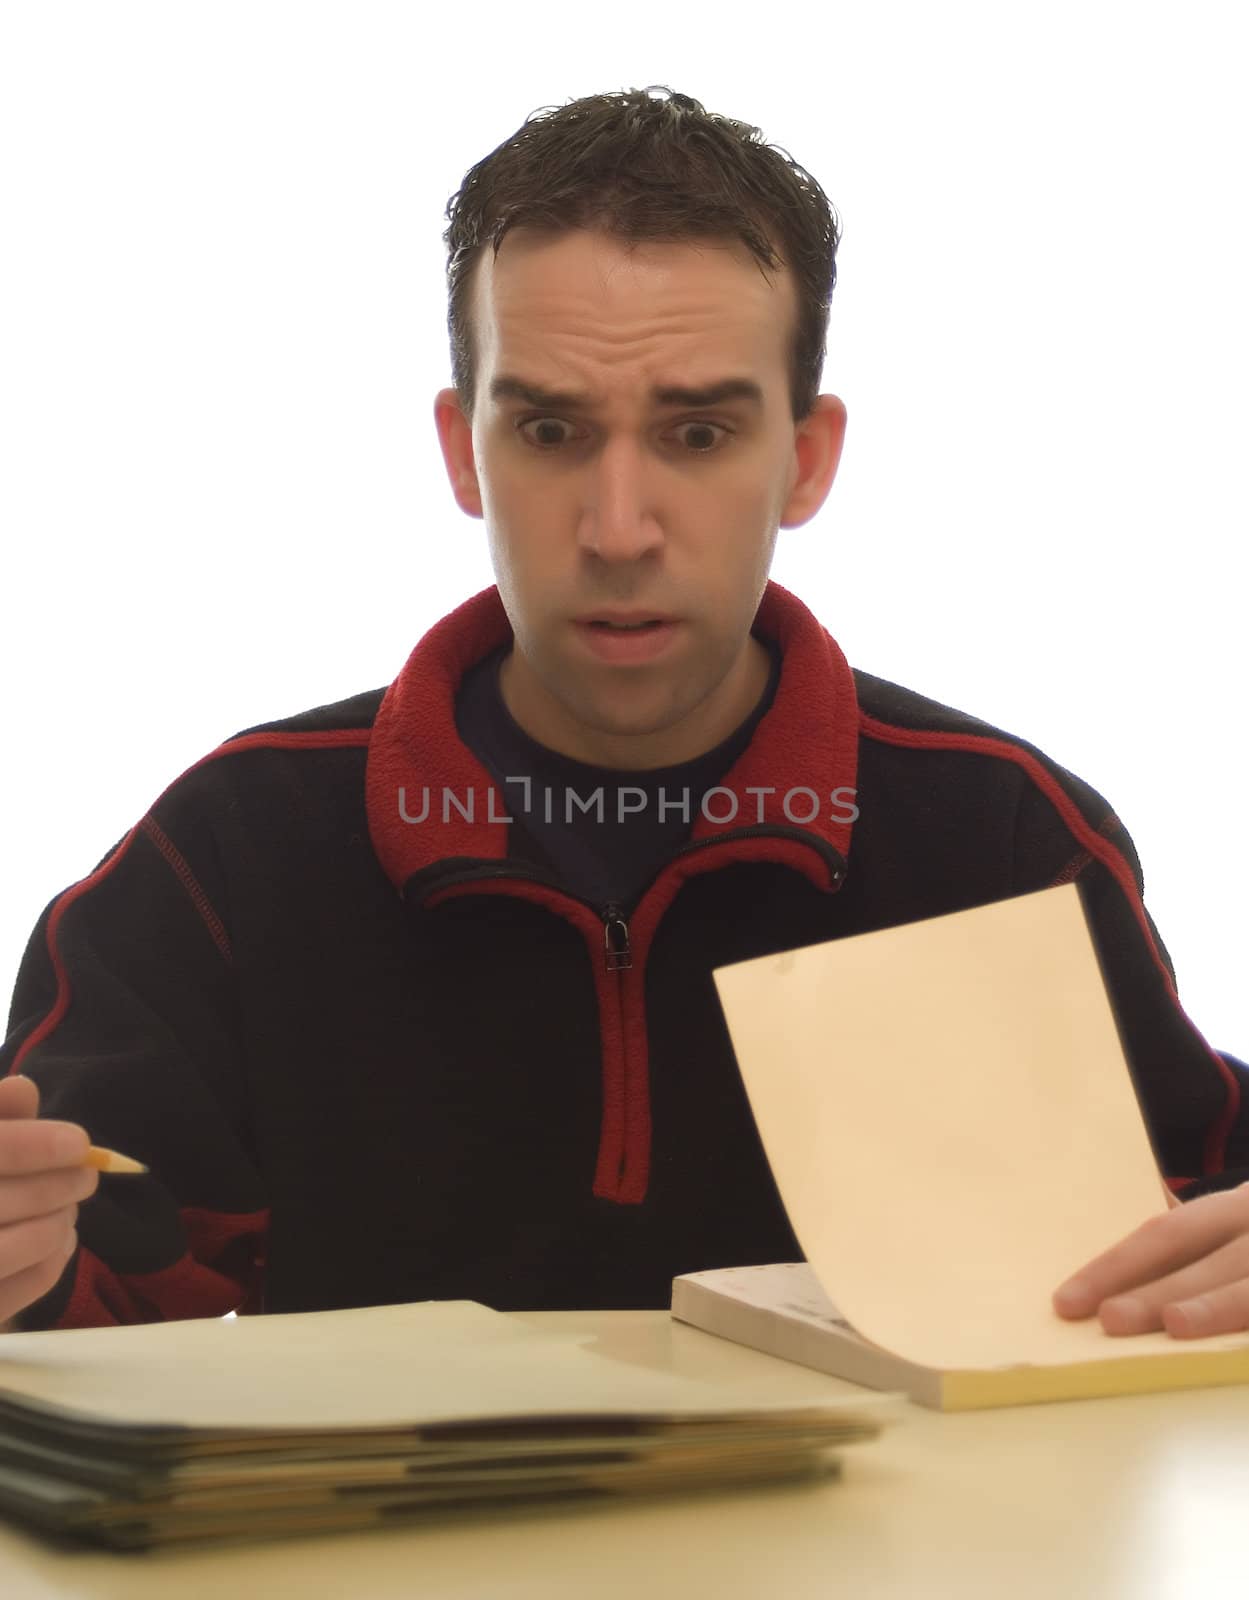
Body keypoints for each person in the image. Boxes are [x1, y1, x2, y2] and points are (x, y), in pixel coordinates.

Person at [2, 86, 1247, 1340]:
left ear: (806, 458)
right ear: (461, 450)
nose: (617, 528)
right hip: (377, 1538)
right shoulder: (228, 850)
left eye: (697, 431)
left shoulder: (1003, 843)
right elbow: (95, 1309)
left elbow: (1189, 1220)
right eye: (548, 428)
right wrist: (26, 1273)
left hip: (896, 1543)